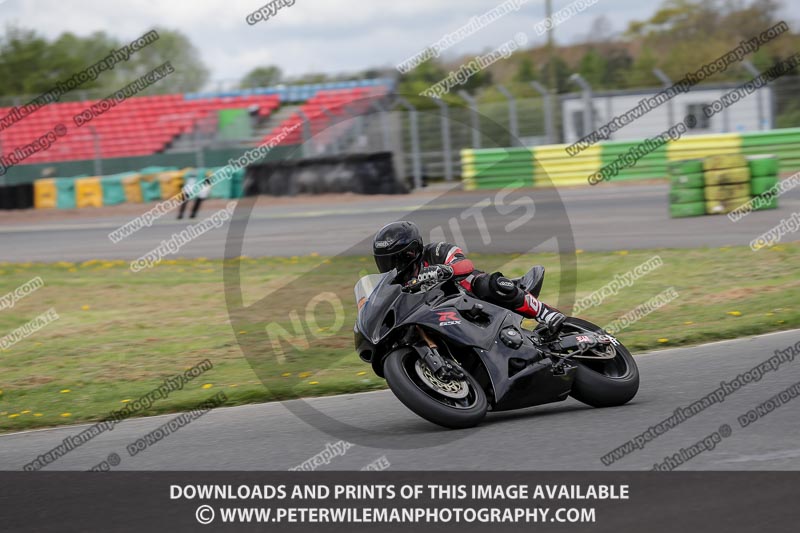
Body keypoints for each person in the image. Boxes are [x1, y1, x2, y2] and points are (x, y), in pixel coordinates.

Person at [372, 220, 566, 333]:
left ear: (411, 253)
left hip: (472, 300)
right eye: (385, 261)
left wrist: (443, 270)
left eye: (394, 260)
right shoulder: (396, 283)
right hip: (444, 318)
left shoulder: (436, 251)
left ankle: (545, 313)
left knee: (481, 282)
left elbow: (465, 264)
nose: (390, 267)